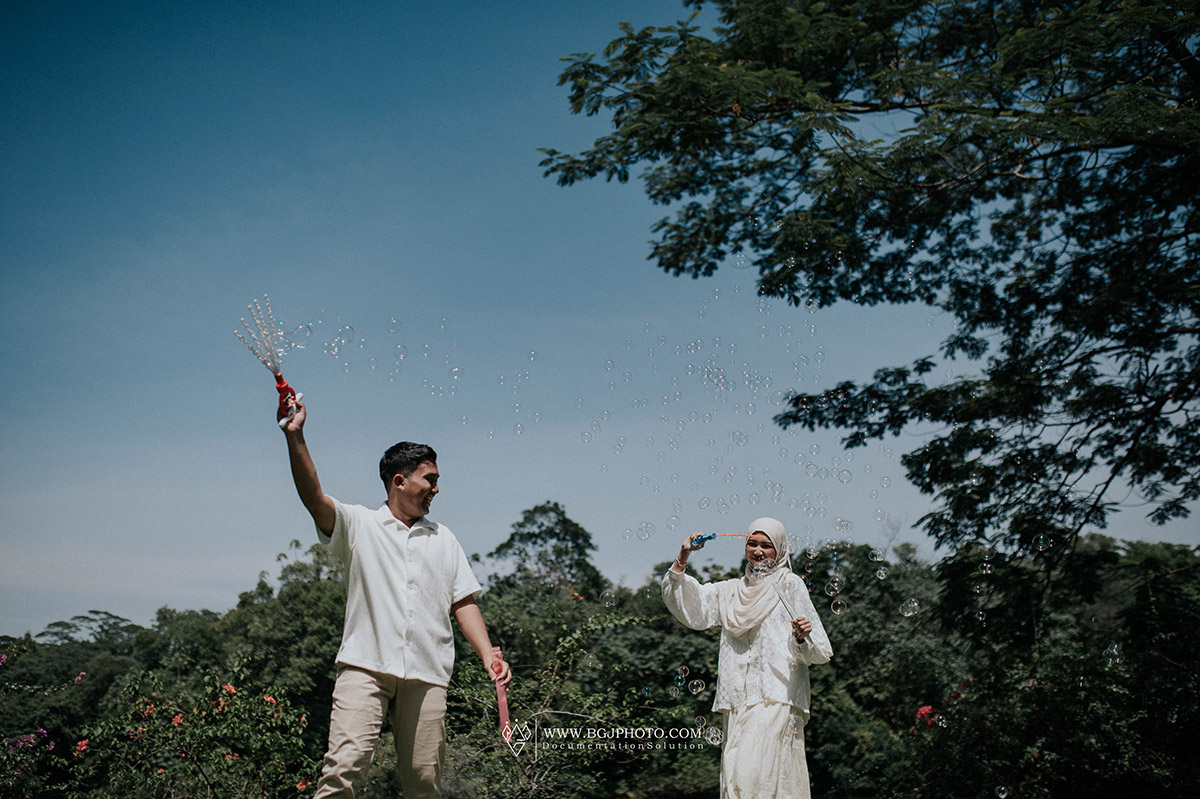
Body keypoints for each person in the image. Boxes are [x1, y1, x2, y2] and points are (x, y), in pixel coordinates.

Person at [280, 393, 512, 798]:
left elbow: (463, 601)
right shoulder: (360, 525)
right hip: (365, 666)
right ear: (399, 482)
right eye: (430, 479)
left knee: (424, 782)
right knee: (343, 771)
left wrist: (487, 655)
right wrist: (295, 436)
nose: (436, 488)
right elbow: (314, 498)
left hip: (427, 673)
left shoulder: (444, 538)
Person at [662, 518, 832, 799]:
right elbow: (692, 607)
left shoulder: (789, 584)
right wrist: (684, 555)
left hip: (778, 694)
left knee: (752, 774)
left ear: (780, 549)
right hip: (738, 699)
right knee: (735, 775)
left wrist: (802, 637)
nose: (758, 551)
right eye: (752, 544)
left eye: (767, 545)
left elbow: (820, 651)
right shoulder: (730, 591)